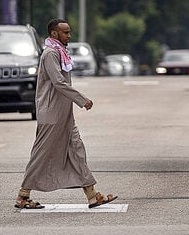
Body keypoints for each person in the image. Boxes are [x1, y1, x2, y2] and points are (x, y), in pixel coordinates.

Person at [14, 18, 117, 210]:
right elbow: (59, 82)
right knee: (41, 154)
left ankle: (92, 196)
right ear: (54, 33)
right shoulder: (50, 53)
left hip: (64, 114)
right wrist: (81, 99)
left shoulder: (60, 52)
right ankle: (23, 196)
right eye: (66, 32)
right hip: (51, 114)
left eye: (69, 32)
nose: (69, 35)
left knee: (77, 151)